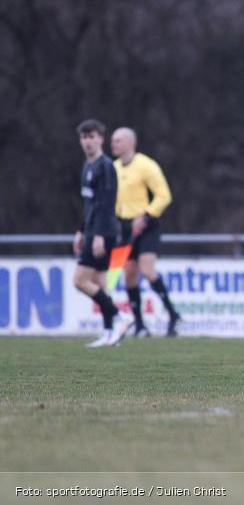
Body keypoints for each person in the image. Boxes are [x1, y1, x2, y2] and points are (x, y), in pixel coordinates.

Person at [110, 127, 180, 337]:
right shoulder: (112, 168)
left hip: (147, 225)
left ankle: (172, 315)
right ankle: (140, 325)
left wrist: (146, 216)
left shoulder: (146, 165)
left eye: (118, 140)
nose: (113, 144)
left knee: (147, 270)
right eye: (113, 140)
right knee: (129, 275)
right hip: (123, 227)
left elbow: (164, 195)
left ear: (131, 143)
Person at [73, 119, 134, 347]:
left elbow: (107, 204)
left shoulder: (105, 166)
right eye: (84, 137)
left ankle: (121, 317)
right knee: (99, 283)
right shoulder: (88, 165)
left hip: (103, 232)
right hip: (91, 230)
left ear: (101, 139)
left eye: (92, 137)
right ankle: (110, 333)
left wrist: (97, 235)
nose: (87, 141)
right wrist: (80, 230)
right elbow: (89, 204)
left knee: (79, 281)